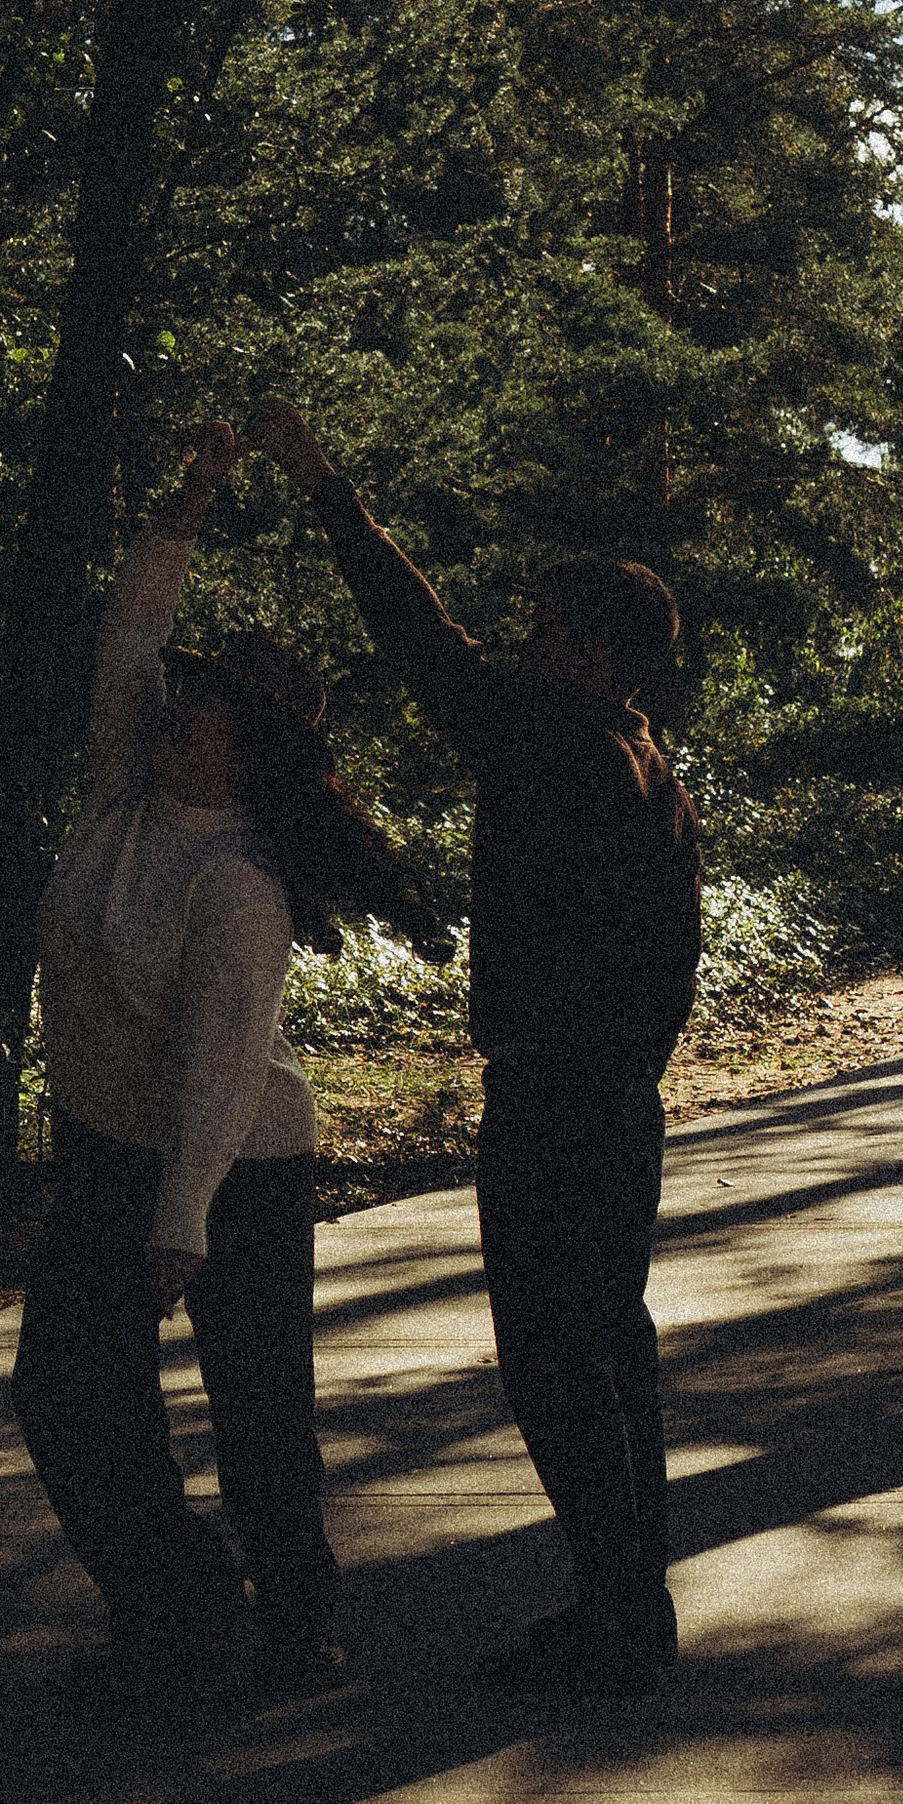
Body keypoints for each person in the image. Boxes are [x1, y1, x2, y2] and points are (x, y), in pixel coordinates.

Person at [248, 398, 702, 1697]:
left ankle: (617, 1621)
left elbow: (417, 642)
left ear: (600, 652)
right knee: (611, 1349)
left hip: (562, 1098)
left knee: (556, 1360)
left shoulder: (562, 741)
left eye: (549, 631)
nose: (526, 647)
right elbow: (669, 963)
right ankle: (629, 1607)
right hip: (614, 1097)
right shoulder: (640, 760)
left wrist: (326, 484)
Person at [12, 419, 437, 1707]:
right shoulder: (118, 802)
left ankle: (298, 1627)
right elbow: (127, 644)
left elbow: (223, 1065)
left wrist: (182, 1219)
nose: (178, 726)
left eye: (207, 722)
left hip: (232, 1171)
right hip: (104, 1147)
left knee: (258, 1412)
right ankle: (181, 1602)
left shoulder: (240, 883)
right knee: (68, 1397)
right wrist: (187, 500)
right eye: (181, 710)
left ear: (253, 756)